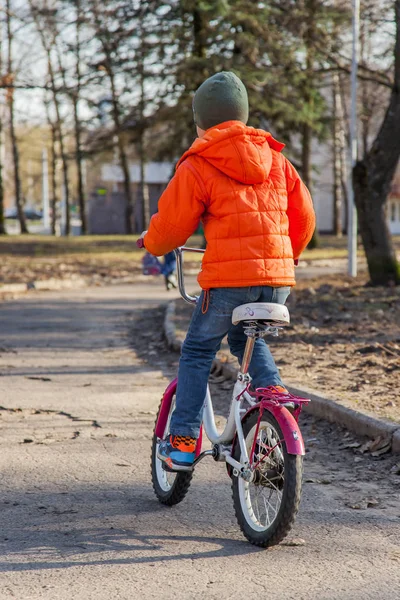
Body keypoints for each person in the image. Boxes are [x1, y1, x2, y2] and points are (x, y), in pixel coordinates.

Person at [141, 71, 315, 471]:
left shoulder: (199, 162)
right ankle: (272, 392)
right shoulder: (277, 158)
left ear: (201, 121)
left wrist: (151, 245)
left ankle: (183, 440)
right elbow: (303, 218)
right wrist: (288, 257)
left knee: (199, 348)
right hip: (277, 283)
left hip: (228, 283)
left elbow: (171, 228)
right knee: (244, 339)